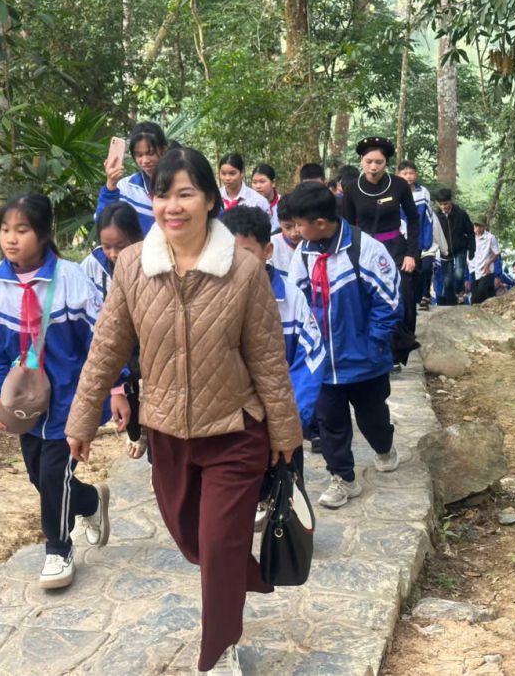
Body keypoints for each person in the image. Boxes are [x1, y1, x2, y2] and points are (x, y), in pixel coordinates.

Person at [66, 148, 303, 676]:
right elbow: (106, 348)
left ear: (211, 201)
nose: (172, 206)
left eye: (185, 194)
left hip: (236, 431)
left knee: (217, 545)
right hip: (167, 432)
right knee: (191, 538)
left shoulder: (244, 270)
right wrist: (82, 419)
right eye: (162, 194)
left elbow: (268, 359)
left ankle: (219, 649)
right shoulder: (133, 265)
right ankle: (243, 571)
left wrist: (286, 433)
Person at [0, 194, 129, 589]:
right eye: (5, 230)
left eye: (22, 230)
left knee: (55, 475)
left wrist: (116, 387)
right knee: (39, 477)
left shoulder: (72, 281)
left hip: (70, 400)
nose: (11, 239)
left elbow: (103, 341)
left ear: (43, 234)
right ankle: (89, 501)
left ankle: (58, 550)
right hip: (25, 404)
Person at [286, 182, 403, 509]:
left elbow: (390, 302)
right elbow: (297, 302)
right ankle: (343, 478)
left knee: (372, 418)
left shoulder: (365, 250)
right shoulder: (304, 254)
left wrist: (373, 343)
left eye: (299, 224)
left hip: (364, 361)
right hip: (323, 364)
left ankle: (384, 446)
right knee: (330, 424)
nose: (295, 231)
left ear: (320, 223)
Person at [220, 206, 325, 526]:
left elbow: (311, 358)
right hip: (232, 421)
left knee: (287, 489)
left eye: (246, 254)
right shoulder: (210, 298)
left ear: (267, 251)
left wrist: (291, 417)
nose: (237, 264)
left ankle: (290, 538)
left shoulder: (290, 297)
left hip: (282, 415)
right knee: (232, 497)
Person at [340, 137, 419, 367]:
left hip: (396, 249)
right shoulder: (351, 189)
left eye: (379, 162)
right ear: (361, 161)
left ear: (386, 163)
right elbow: (346, 226)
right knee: (368, 299)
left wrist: (412, 254)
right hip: (365, 251)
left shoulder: (399, 185)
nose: (373, 167)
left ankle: (398, 351)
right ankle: (375, 350)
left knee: (403, 297)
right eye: (369, 162)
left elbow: (414, 220)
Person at [81, 202, 147, 458]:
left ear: (136, 238)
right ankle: (136, 432)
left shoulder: (151, 259)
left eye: (121, 246)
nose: (113, 253)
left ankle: (151, 435)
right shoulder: (92, 265)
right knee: (124, 387)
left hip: (147, 338)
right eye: (107, 246)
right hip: (115, 339)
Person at [96, 122, 169, 233]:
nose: (145, 161)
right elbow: (102, 224)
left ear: (164, 150)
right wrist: (111, 185)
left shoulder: (178, 183)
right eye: (139, 155)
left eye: (151, 153)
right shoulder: (126, 187)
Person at [396, 160, 443, 311]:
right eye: (405, 173)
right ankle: (412, 300)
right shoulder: (395, 192)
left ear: (416, 175)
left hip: (423, 237)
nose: (408, 176)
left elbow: (428, 218)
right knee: (410, 271)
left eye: (411, 173)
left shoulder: (423, 192)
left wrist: (426, 239)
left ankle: (425, 296)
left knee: (426, 268)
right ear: (398, 175)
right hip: (403, 239)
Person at [433, 188, 475, 305]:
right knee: (447, 281)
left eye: (446, 204)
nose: (443, 207)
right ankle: (451, 303)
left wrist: (472, 249)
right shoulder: (436, 217)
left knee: (459, 274)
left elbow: (470, 232)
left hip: (460, 248)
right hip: (444, 251)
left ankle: (459, 293)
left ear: (450, 201)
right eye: (441, 204)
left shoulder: (461, 214)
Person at [468, 217, 500, 305]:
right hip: (474, 268)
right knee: (474, 296)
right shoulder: (470, 237)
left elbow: (496, 253)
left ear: (485, 226)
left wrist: (488, 263)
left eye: (480, 226)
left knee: (481, 291)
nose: (477, 229)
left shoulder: (490, 238)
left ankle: (488, 306)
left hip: (486, 269)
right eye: (476, 226)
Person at [269, 195, 300, 279]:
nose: (294, 233)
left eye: (298, 225)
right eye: (288, 227)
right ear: (279, 223)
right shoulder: (272, 245)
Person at [250, 163, 281, 231]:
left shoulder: (284, 203)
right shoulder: (248, 205)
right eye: (254, 182)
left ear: (273, 183)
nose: (258, 186)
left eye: (262, 182)